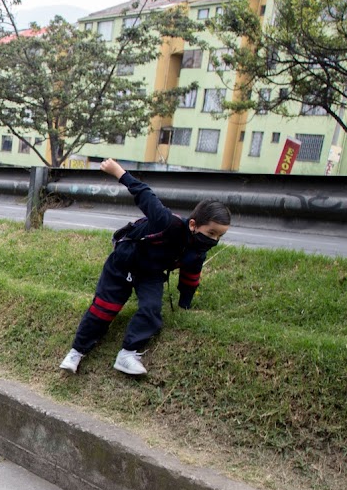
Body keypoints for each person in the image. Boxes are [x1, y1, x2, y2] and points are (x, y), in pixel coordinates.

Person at [59, 158, 231, 376]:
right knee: (103, 309)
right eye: (211, 233)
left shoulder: (198, 251)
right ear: (193, 225)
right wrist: (117, 171)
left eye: (219, 236)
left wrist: (184, 304)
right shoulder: (167, 222)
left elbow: (191, 276)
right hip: (123, 263)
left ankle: (127, 354)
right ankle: (76, 352)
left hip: (151, 273)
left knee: (151, 311)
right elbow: (144, 194)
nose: (214, 240)